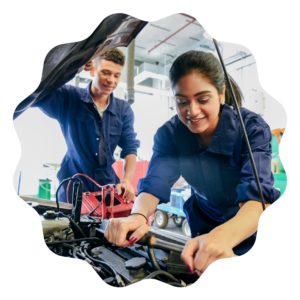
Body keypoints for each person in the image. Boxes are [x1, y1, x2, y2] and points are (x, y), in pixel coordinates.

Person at [104, 50, 280, 277]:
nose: (192, 111)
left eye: (203, 99)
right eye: (182, 102)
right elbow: (154, 184)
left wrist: (223, 237)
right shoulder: (170, 135)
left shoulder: (252, 130)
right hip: (204, 222)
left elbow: (258, 201)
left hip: (247, 227)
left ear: (222, 94)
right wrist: (137, 216)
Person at [31, 48, 140, 203]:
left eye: (117, 75)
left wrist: (126, 181)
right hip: (72, 190)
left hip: (106, 190)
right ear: (92, 71)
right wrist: (74, 67)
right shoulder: (69, 98)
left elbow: (130, 147)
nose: (112, 80)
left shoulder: (124, 110)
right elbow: (38, 91)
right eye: (106, 72)